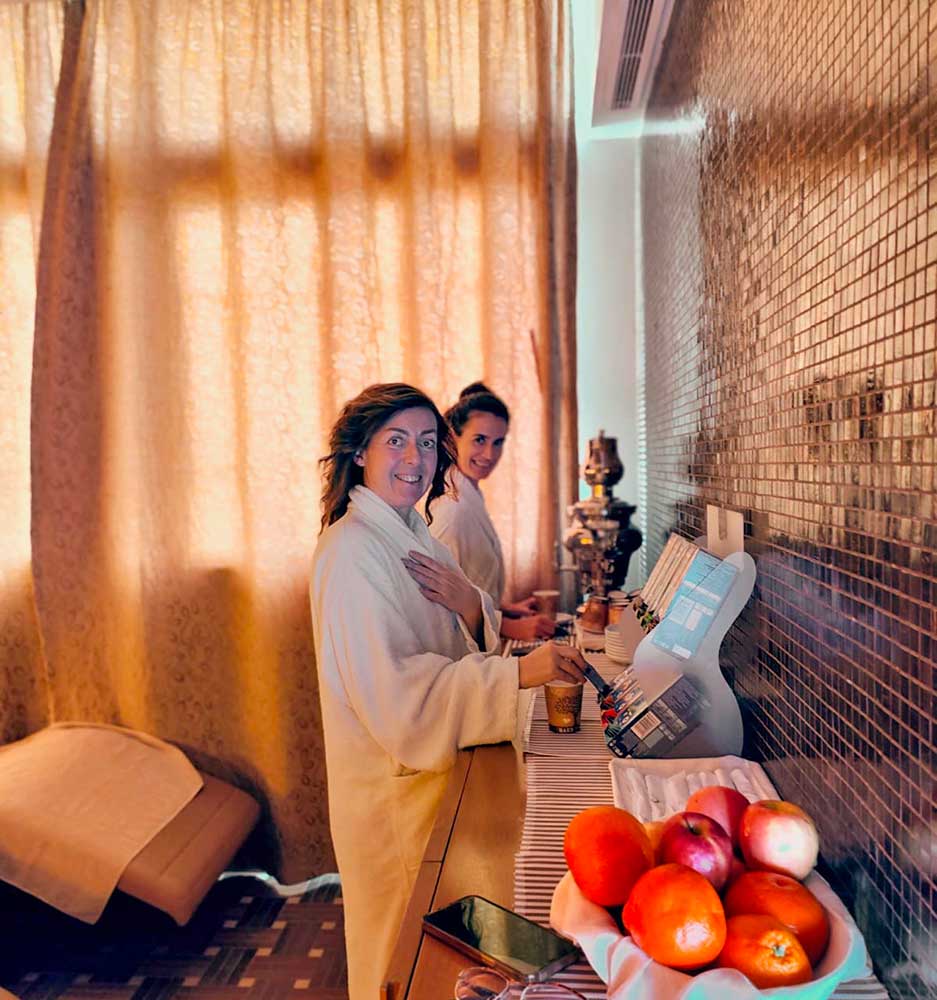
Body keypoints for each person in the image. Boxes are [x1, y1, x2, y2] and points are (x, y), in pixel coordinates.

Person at [309, 383, 587, 1000]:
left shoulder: (414, 535)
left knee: (442, 951)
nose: (415, 458)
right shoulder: (352, 552)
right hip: (392, 789)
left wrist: (475, 609)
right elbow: (400, 698)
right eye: (396, 441)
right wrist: (520, 673)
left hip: (429, 776)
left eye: (428, 443)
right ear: (359, 451)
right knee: (400, 963)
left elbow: (454, 635)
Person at [430, 382, 557, 642]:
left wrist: (503, 609)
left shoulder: (469, 493)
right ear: (453, 437)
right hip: (462, 650)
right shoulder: (452, 510)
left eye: (498, 442)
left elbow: (466, 582)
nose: (490, 454)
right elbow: (437, 600)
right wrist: (508, 627)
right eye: (480, 440)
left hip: (483, 635)